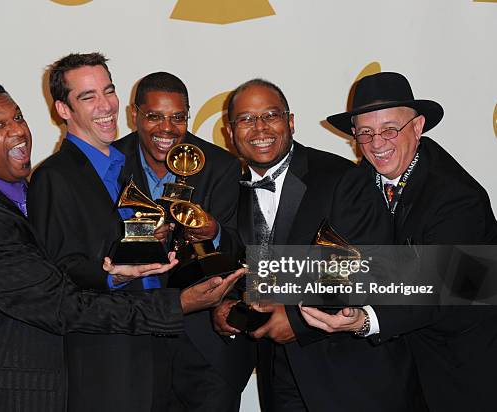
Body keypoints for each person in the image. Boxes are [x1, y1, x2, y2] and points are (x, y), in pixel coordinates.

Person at [0, 81, 242, 411]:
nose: (17, 131)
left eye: (17, 117)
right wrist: (178, 304)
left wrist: (115, 275)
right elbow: (63, 306)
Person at [213, 78, 425, 411]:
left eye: (270, 115)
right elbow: (250, 266)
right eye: (246, 119)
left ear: (291, 122)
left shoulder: (342, 178)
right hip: (278, 378)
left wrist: (296, 319)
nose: (259, 128)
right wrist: (229, 306)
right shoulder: (229, 191)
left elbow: (372, 268)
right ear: (230, 132)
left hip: (350, 376)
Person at [300, 71, 497, 411]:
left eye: (390, 129)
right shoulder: (358, 179)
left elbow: (439, 289)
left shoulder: (457, 198)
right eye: (365, 133)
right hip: (397, 367)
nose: (377, 144)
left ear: (417, 127)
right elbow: (334, 251)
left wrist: (363, 320)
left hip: (462, 366)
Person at [113, 71, 251, 411]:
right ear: (135, 115)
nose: (167, 128)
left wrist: (214, 232)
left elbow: (243, 248)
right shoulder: (109, 163)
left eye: (178, 117)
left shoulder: (221, 165)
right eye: (154, 116)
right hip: (133, 344)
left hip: (206, 348)